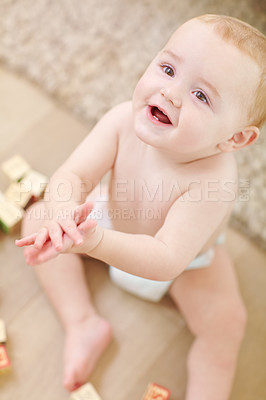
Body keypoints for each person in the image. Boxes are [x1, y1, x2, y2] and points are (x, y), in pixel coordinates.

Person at [16, 14, 266, 400]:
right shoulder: (121, 120)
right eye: (167, 69)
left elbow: (167, 258)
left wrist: (93, 242)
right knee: (37, 217)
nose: (170, 93)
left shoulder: (214, 181)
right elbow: (75, 175)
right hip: (107, 220)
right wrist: (64, 215)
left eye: (201, 95)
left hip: (187, 267)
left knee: (227, 326)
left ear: (235, 138)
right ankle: (82, 322)